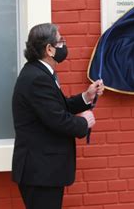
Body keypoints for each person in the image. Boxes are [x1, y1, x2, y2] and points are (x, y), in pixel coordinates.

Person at [11, 23, 104, 209]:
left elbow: (58, 108)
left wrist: (87, 96)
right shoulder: (37, 78)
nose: (64, 45)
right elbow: (57, 119)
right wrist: (83, 122)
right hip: (40, 172)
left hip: (43, 171)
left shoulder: (40, 73)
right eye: (61, 41)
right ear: (49, 49)